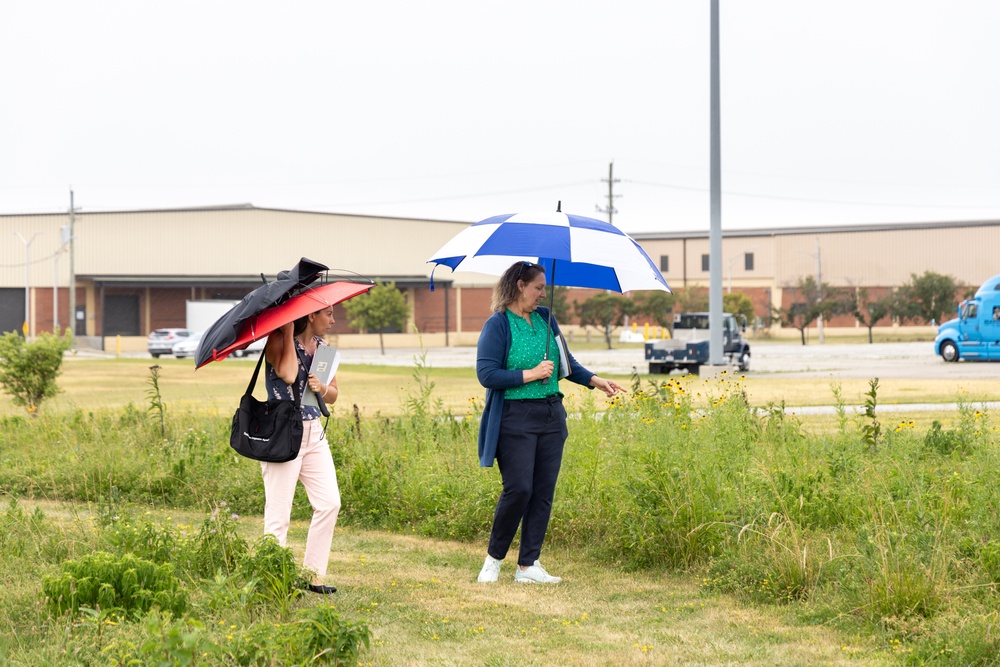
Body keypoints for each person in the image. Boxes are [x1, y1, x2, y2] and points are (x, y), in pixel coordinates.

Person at [475, 261, 624, 584]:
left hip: (551, 415)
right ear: (519, 285)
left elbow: (565, 364)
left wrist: (595, 380)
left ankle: (528, 566)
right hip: (515, 418)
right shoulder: (498, 325)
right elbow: (486, 375)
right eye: (538, 287)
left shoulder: (545, 319)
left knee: (543, 491)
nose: (543, 294)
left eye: (544, 288)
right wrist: (530, 374)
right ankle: (493, 560)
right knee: (519, 489)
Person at [261, 305, 341, 594]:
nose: (333, 321)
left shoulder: (325, 350)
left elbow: (333, 395)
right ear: (310, 315)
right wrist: (287, 329)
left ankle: (313, 576)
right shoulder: (278, 341)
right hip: (284, 432)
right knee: (279, 513)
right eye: (328, 314)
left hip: (313, 432)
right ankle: (271, 580)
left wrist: (322, 388)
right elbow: (289, 374)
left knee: (329, 502)